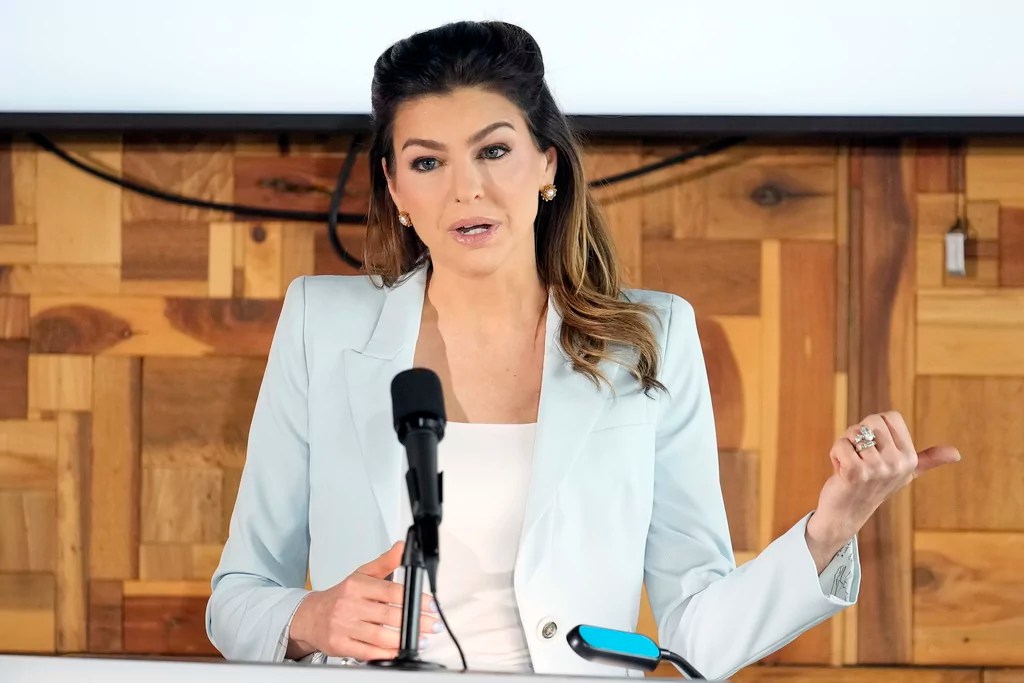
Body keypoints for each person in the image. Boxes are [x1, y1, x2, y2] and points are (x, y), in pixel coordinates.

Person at [205, 20, 961, 679]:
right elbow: (237, 598)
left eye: (494, 150)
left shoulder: (651, 339)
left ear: (547, 167)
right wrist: (311, 617)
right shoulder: (321, 325)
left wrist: (829, 529)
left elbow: (696, 633)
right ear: (396, 188)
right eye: (428, 162)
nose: (467, 189)